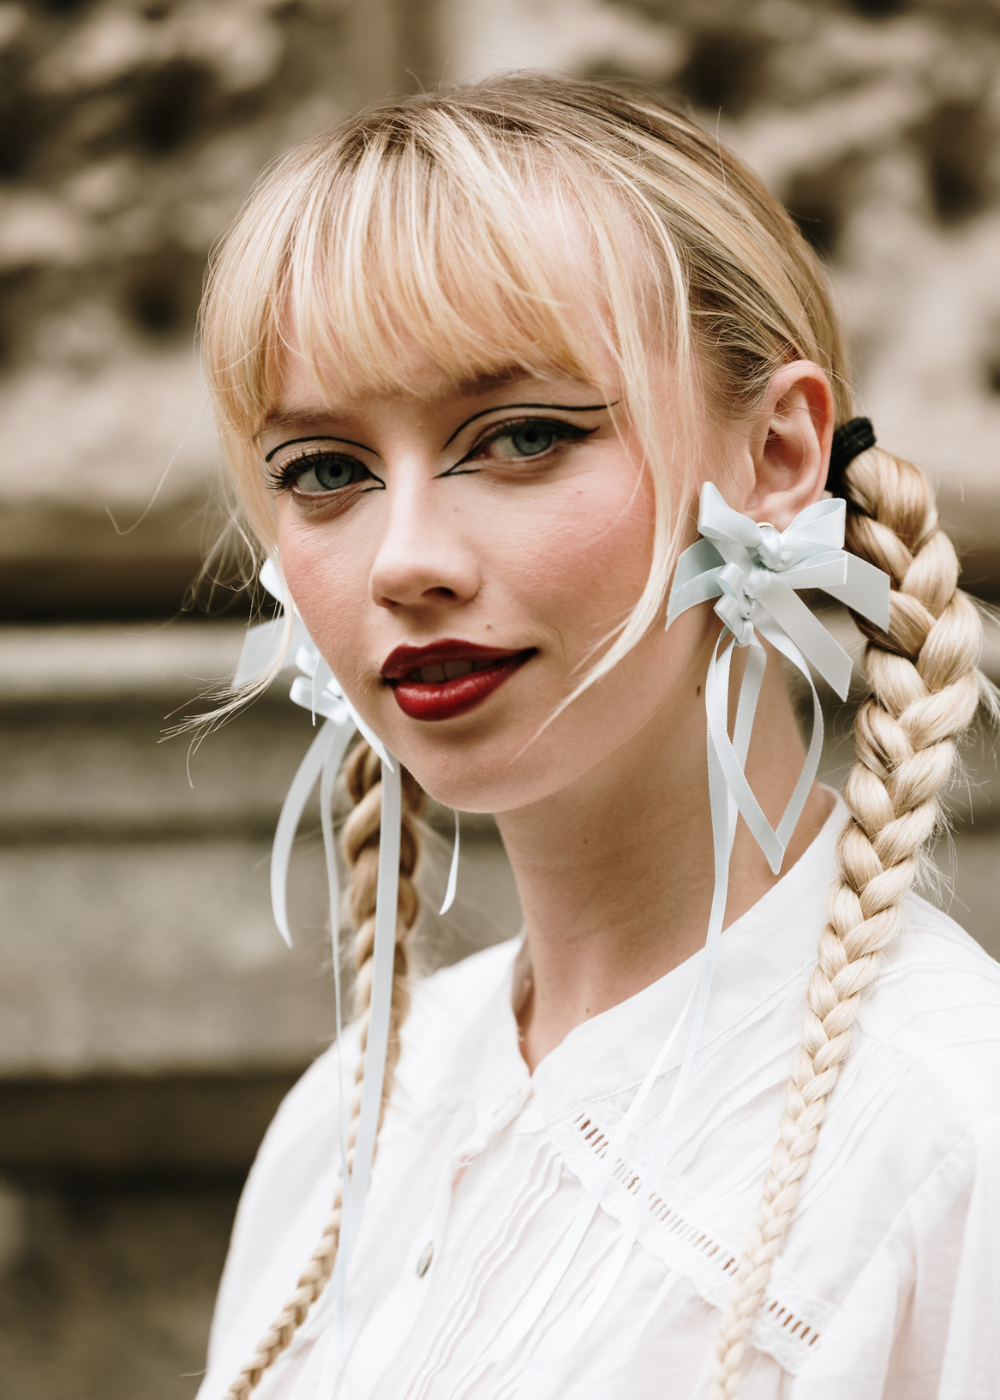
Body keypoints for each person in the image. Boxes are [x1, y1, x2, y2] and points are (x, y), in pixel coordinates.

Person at [194, 74, 1000, 1400]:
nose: (406, 560)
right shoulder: (352, 1122)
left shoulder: (943, 1141)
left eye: (520, 436)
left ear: (778, 452)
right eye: (325, 469)